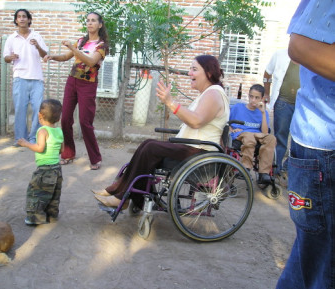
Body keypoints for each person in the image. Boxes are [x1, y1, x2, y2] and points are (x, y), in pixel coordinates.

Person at [92, 54, 229, 209]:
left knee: (150, 147)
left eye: (194, 69)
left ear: (209, 73)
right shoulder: (208, 93)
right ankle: (125, 195)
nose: (190, 73)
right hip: (193, 147)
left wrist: (170, 102)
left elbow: (196, 121)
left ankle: (121, 195)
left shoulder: (213, 93)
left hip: (200, 152)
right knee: (148, 144)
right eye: (190, 69)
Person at [276, 1, 335, 288]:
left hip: (318, 148)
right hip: (325, 148)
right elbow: (300, 45)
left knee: (312, 267)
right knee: (320, 271)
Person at [44, 12, 109, 169]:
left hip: (88, 84)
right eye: (88, 20)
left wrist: (73, 48)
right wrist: (52, 56)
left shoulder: (102, 46)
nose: (90, 23)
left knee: (85, 122)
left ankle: (95, 158)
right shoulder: (81, 41)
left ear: (100, 25)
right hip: (72, 81)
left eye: (93, 21)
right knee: (65, 118)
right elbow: (66, 56)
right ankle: (68, 153)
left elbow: (91, 61)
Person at [3, 8, 48, 146]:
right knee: (20, 110)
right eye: (19, 17)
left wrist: (37, 46)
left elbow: (44, 54)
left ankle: (34, 138)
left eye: (24, 16)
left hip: (36, 79)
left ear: (29, 19)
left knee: (38, 110)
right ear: (16, 20)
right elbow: (6, 58)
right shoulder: (11, 38)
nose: (22, 19)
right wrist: (10, 57)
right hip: (19, 78)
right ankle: (20, 139)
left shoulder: (36, 36)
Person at [17, 99, 64, 225]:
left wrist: (26, 144)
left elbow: (40, 148)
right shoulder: (59, 131)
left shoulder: (42, 131)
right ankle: (52, 214)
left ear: (39, 115)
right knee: (54, 192)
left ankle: (35, 218)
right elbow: (61, 150)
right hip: (56, 169)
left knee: (36, 192)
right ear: (58, 119)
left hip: (44, 170)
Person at [263, 49, 300, 183]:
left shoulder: (309, 58)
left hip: (302, 105)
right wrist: (266, 93)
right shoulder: (280, 55)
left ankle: (288, 168)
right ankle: (275, 171)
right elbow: (267, 73)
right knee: (280, 138)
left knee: (299, 140)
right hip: (282, 102)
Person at [229, 84, 276, 184]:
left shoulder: (264, 112)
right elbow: (226, 121)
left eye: (256, 97)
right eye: (251, 96)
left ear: (262, 98)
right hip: (242, 134)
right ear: (248, 95)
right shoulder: (238, 107)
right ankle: (245, 168)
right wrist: (231, 129)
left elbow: (265, 133)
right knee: (249, 136)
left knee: (271, 138)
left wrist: (263, 113)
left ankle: (264, 173)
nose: (253, 100)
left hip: (257, 136)